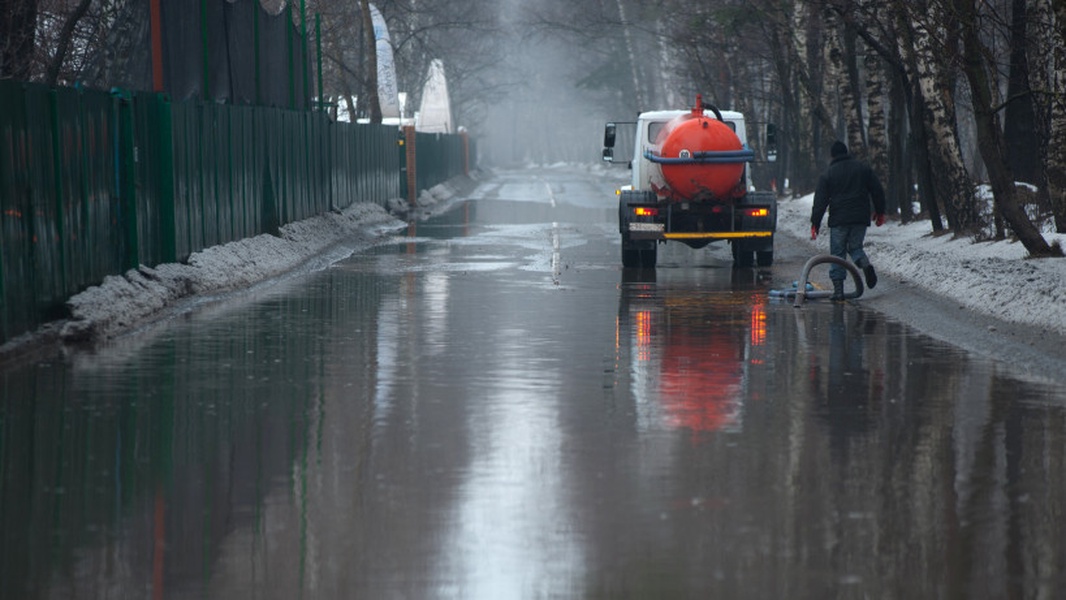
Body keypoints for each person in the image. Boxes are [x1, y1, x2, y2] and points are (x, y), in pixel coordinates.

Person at [810, 141, 886, 301]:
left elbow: (820, 201)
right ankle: (864, 264)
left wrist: (815, 223)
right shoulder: (863, 169)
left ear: (832, 155)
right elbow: (877, 189)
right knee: (855, 247)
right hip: (860, 217)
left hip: (839, 220)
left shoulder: (829, 174)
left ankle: (838, 291)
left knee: (838, 254)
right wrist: (880, 212)